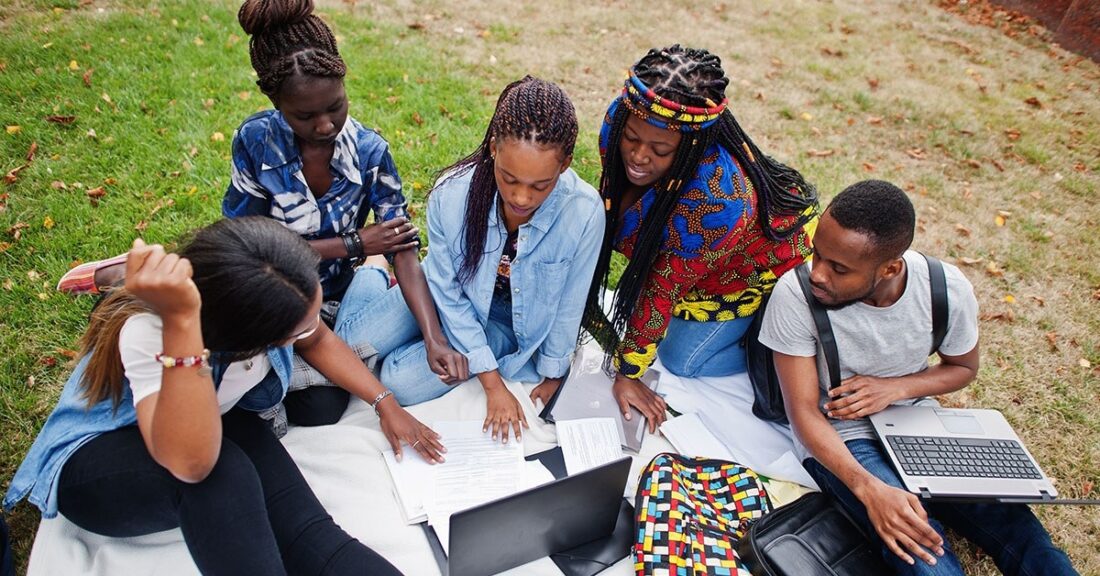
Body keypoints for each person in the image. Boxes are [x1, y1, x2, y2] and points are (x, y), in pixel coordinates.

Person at [56, 0, 466, 431]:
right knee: (278, 389)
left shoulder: (370, 151)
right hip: (269, 297)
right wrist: (356, 244)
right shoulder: (255, 142)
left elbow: (403, 246)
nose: (326, 126)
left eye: (336, 107)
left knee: (320, 411)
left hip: (330, 301)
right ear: (274, 100)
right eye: (305, 116)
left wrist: (434, 340)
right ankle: (125, 274)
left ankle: (369, 279)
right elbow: (245, 247)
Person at [6, 217, 445, 575]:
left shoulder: (261, 285)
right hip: (100, 458)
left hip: (210, 416)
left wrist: (384, 402)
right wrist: (181, 326)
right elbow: (191, 463)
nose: (311, 330)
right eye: (295, 330)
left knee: (312, 537)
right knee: (223, 475)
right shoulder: (152, 330)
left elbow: (318, 339)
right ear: (245, 338)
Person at [759, 180, 1077, 575]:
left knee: (1020, 530)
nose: (818, 275)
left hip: (919, 424)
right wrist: (869, 488)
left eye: (839, 268)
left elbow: (962, 368)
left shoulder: (946, 289)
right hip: (844, 437)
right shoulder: (795, 295)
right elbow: (804, 412)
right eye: (817, 255)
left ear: (891, 267)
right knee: (920, 544)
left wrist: (896, 388)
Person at [329, 76, 603, 443]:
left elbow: (570, 303)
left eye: (540, 186)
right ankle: (375, 269)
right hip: (445, 295)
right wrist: (491, 384)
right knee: (347, 346)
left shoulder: (584, 213)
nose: (521, 197)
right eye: (509, 179)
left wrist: (553, 374)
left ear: (566, 164)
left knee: (399, 382)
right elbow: (447, 289)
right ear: (493, 148)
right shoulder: (452, 194)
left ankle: (382, 286)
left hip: (504, 323)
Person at [580, 45, 819, 432]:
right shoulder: (624, 116)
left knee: (681, 361)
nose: (638, 156)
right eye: (632, 139)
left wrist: (627, 373)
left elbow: (661, 289)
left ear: (693, 146)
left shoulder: (717, 203)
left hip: (751, 270)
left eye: (660, 150)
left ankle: (776, 347)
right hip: (703, 259)